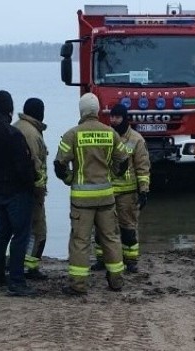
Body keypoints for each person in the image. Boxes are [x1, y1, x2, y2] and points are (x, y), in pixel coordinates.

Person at [53, 92, 130, 295]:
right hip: (106, 197)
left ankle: (78, 286)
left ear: (81, 111)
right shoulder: (110, 133)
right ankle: (116, 282)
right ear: (97, 111)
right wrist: (111, 176)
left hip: (81, 201)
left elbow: (59, 165)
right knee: (111, 239)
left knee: (80, 241)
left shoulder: (72, 134)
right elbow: (123, 161)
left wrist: (70, 179)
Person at [0, 90, 37, 297]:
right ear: (10, 110)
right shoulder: (12, 134)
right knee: (20, 236)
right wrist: (32, 185)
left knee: (2, 232)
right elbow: (23, 167)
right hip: (17, 192)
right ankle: (17, 281)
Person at [93, 104, 150, 273]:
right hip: (107, 190)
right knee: (102, 228)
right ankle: (101, 259)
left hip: (127, 193)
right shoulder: (106, 136)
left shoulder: (136, 140)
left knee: (128, 228)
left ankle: (130, 261)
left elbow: (142, 167)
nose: (114, 120)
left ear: (125, 119)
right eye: (112, 117)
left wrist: (144, 190)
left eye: (117, 117)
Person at [12, 97, 49, 280]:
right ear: (38, 113)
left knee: (19, 230)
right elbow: (36, 164)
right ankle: (30, 268)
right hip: (32, 191)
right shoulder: (33, 134)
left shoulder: (17, 126)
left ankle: (16, 264)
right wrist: (40, 191)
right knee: (39, 231)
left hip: (15, 189)